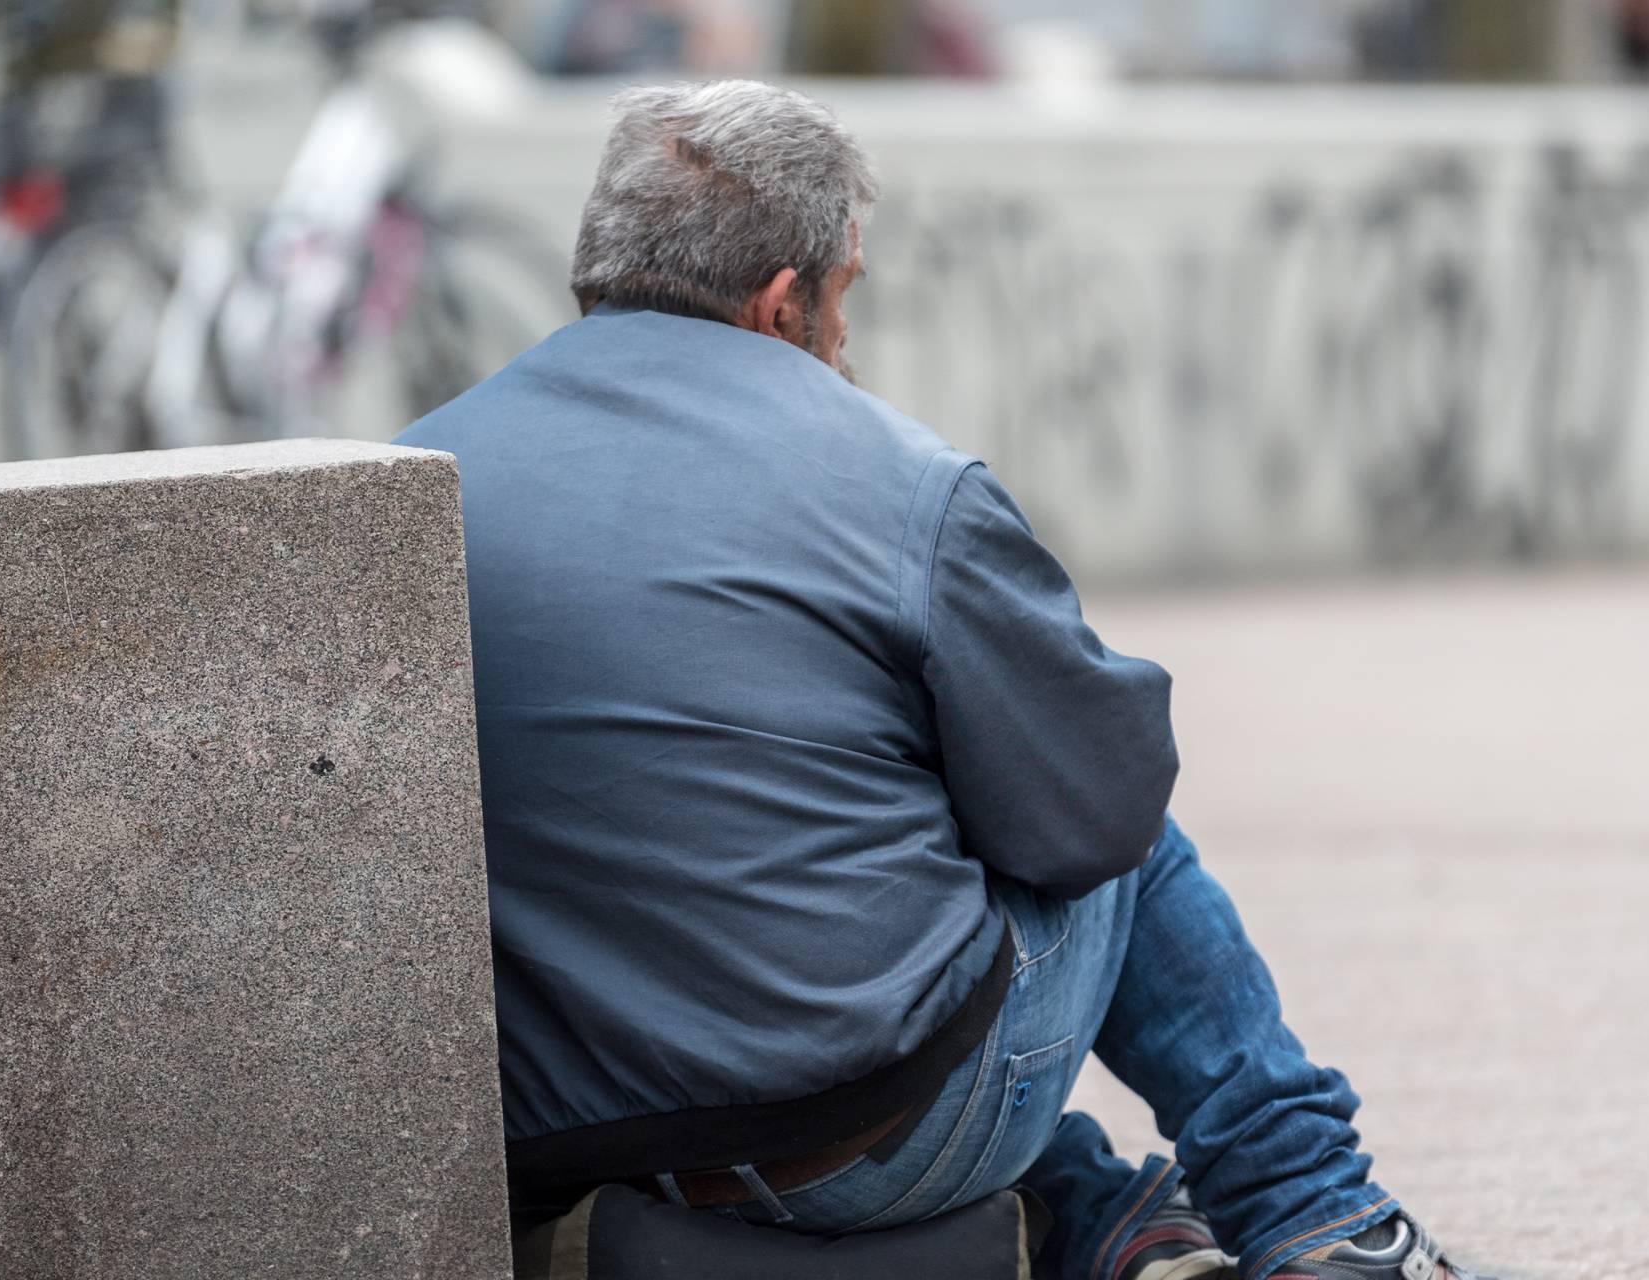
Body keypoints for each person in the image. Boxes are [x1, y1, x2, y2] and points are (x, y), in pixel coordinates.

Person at [395, 80, 1480, 1280]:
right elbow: (1098, 813)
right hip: (858, 1139)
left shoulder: (415, 477)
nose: (845, 338)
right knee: (1098, 810)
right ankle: (1318, 1215)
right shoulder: (899, 483)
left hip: (569, 1129)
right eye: (846, 293)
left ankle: (1098, 1211)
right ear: (779, 302)